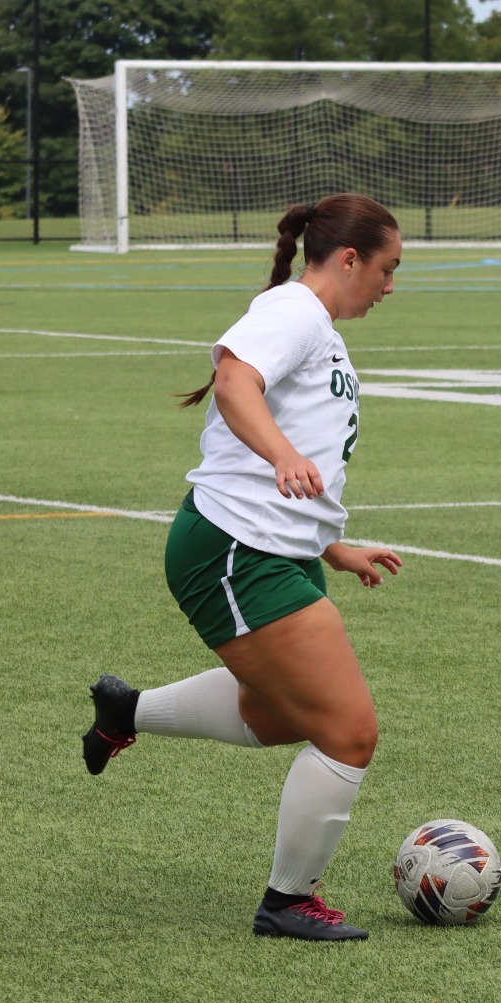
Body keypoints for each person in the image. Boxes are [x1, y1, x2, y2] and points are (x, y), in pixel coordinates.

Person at [82, 194, 404, 942]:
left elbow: (298, 465)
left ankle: (125, 711)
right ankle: (288, 901)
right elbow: (234, 383)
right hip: (234, 549)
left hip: (274, 548)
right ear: (348, 259)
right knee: (348, 730)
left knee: (281, 713)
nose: (392, 285)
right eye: (388, 269)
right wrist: (283, 454)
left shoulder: (316, 328)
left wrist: (332, 544)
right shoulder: (294, 312)